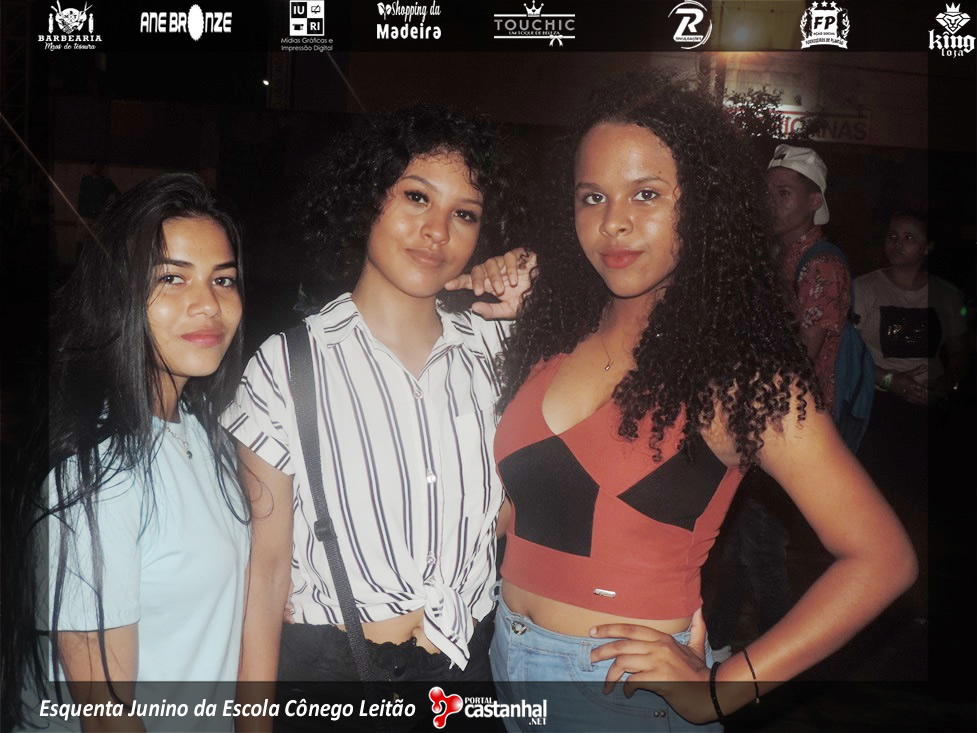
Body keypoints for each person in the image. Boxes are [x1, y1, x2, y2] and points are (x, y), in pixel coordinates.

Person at [490, 72, 917, 732]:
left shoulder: (738, 376)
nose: (614, 221)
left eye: (647, 193)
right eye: (592, 196)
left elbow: (882, 559)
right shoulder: (552, 328)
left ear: (703, 205)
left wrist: (721, 690)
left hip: (615, 696)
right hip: (503, 659)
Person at [220, 105, 530, 729]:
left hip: (465, 674)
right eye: (416, 197)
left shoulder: (498, 350)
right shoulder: (287, 365)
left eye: (464, 213)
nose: (436, 231)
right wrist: (253, 722)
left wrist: (526, 273)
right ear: (366, 200)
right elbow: (267, 572)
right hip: (336, 678)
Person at [12, 173, 249, 731]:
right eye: (171, 278)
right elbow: (105, 715)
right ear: (118, 294)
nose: (208, 304)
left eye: (223, 279)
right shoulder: (98, 473)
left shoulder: (202, 432)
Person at [705, 144, 851, 661]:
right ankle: (720, 644)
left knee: (760, 548)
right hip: (759, 421)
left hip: (791, 429)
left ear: (815, 201)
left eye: (784, 192)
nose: (772, 202)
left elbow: (799, 357)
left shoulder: (822, 265)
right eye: (767, 192)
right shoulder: (775, 255)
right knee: (736, 541)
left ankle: (781, 662)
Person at [853, 210, 971, 615]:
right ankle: (871, 588)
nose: (897, 244)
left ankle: (909, 593)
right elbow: (848, 353)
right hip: (879, 406)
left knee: (921, 504)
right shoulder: (863, 288)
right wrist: (890, 380)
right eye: (892, 235)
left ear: (927, 247)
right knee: (878, 500)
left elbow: (959, 351)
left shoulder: (946, 295)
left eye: (909, 238)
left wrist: (948, 383)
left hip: (927, 408)